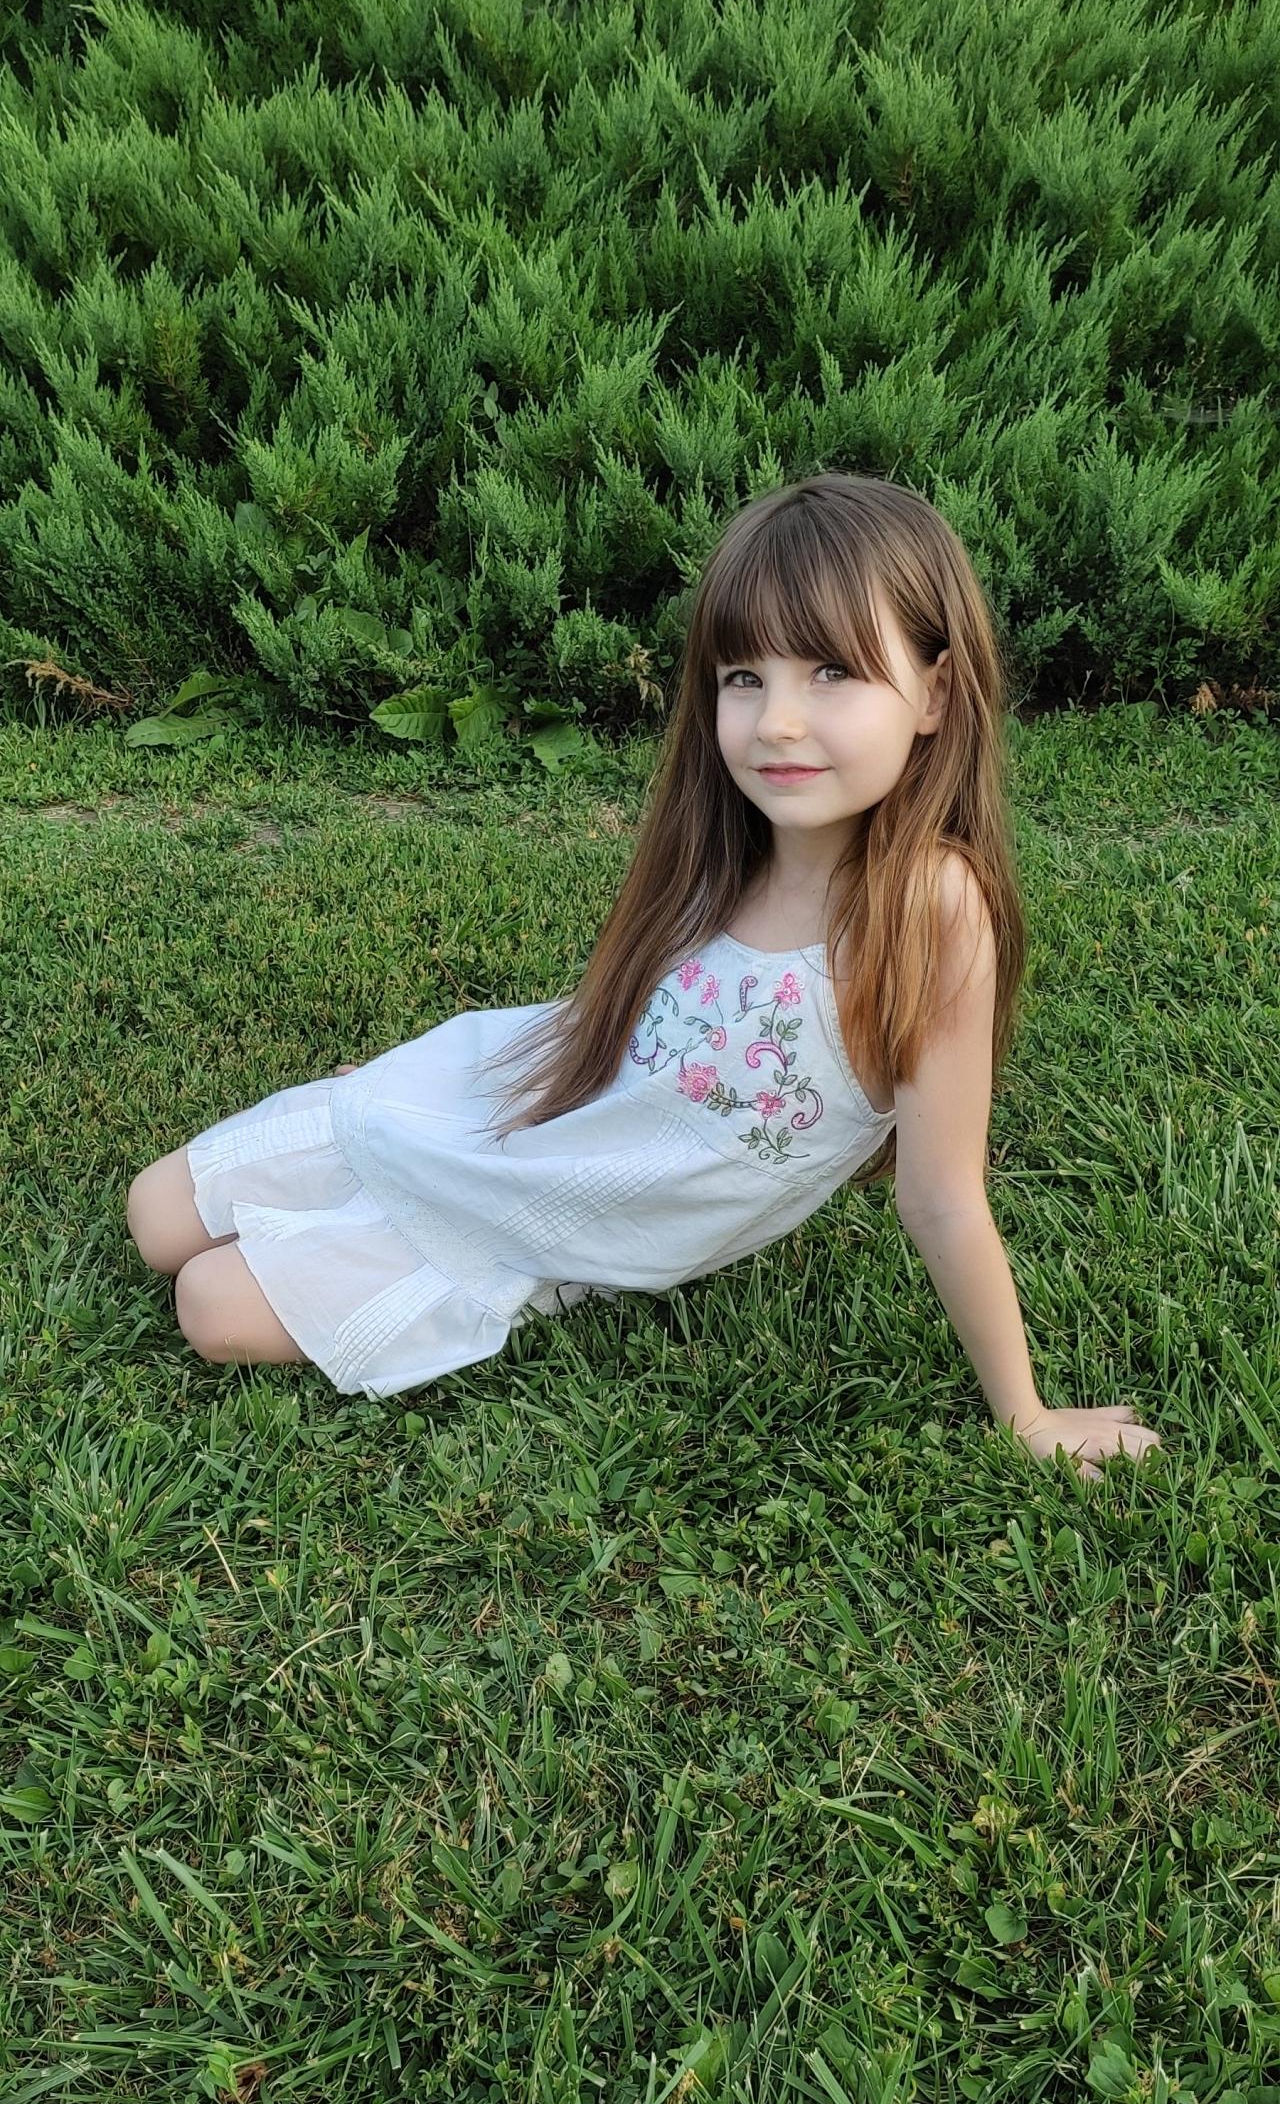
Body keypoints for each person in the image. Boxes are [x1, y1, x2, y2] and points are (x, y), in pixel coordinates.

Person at [126, 470, 1163, 1485]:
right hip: (530, 1102)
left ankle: (510, 1249)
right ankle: (387, 1109)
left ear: (933, 692)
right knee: (154, 1214)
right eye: (743, 677)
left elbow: (940, 1198)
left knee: (210, 1308)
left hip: (557, 1213)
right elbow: (623, 1025)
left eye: (830, 672)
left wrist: (1025, 1414)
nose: (777, 721)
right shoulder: (725, 848)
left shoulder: (930, 906)